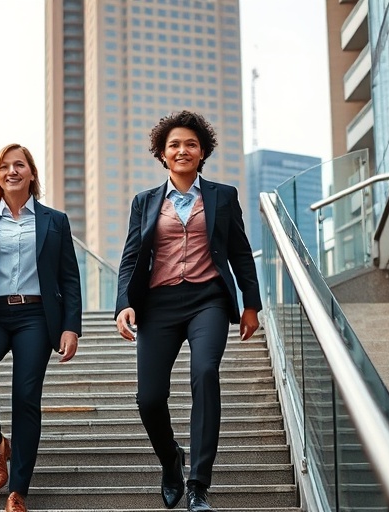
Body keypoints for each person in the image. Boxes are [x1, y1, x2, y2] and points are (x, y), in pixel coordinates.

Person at [114, 111, 261, 512]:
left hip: (207, 300)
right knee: (148, 398)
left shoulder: (222, 196)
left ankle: (198, 483)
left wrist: (251, 304)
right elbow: (130, 259)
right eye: (174, 144)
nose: (182, 150)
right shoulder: (144, 202)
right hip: (158, 305)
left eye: (190, 144)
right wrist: (124, 304)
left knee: (205, 373)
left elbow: (240, 254)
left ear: (202, 152)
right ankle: (170, 459)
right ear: (162, 154)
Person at [0, 143, 83, 512]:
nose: (12, 171)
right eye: (5, 166)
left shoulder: (55, 220)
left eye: (19, 165)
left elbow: (69, 278)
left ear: (31, 173)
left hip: (36, 317)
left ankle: (18, 490)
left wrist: (71, 326)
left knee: (26, 398)